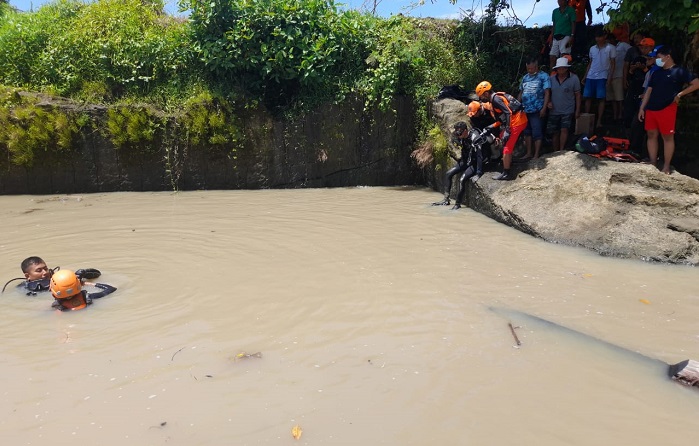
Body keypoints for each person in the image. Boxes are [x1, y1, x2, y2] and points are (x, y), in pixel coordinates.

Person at [638, 45, 699, 174]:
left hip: (667, 108)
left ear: (667, 56)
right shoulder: (656, 72)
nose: (656, 60)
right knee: (651, 134)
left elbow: (696, 83)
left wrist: (680, 94)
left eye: (659, 57)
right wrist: (642, 107)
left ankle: (666, 166)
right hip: (651, 107)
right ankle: (653, 161)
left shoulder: (679, 71)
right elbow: (649, 91)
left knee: (667, 137)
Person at [432, 104, 497, 209]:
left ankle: (457, 205)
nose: (458, 135)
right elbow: (460, 145)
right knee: (449, 173)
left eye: (460, 133)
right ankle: (446, 200)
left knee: (462, 179)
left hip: (476, 162)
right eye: (457, 134)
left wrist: (479, 173)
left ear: (465, 130)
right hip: (467, 160)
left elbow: (480, 156)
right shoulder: (460, 136)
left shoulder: (475, 138)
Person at [476, 81, 527, 181]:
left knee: (507, 148)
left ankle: (506, 173)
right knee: (502, 137)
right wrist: (493, 125)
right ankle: (509, 162)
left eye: (481, 96)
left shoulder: (495, 100)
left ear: (486, 93)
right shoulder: (496, 97)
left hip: (517, 123)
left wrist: (508, 130)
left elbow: (508, 112)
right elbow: (503, 118)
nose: (481, 99)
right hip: (517, 121)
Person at [581, 29, 616, 129]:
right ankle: (586, 118)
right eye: (597, 37)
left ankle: (599, 121)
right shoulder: (592, 48)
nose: (598, 39)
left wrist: (609, 78)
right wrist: (585, 76)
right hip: (591, 75)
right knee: (587, 97)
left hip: (603, 75)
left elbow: (613, 64)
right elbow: (590, 63)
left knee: (601, 99)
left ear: (604, 37)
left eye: (600, 37)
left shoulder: (611, 48)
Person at [518, 56, 551, 159]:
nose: (530, 70)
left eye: (532, 68)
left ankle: (536, 154)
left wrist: (544, 108)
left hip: (537, 110)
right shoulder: (525, 78)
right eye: (528, 69)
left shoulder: (544, 76)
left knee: (537, 132)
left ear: (537, 67)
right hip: (525, 110)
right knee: (527, 132)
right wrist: (517, 105)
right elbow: (521, 92)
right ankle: (528, 153)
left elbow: (547, 93)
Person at [547, 57, 581, 151]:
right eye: (559, 68)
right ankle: (555, 150)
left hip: (568, 109)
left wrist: (577, 110)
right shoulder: (551, 79)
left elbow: (578, 95)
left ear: (566, 68)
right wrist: (548, 101)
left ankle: (561, 150)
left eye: (563, 68)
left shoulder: (574, 79)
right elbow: (547, 92)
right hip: (554, 110)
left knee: (564, 129)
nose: (560, 70)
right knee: (554, 132)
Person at [50, 269, 117, 311]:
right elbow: (111, 289)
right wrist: (87, 283)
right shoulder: (87, 297)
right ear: (78, 285)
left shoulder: (57, 306)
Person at [607, 33, 631, 123]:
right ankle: (615, 115)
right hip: (610, 75)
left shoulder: (623, 45)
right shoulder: (607, 48)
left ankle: (620, 114)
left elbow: (631, 52)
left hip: (619, 74)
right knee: (612, 97)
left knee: (619, 97)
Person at [550, 0, 577, 69]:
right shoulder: (555, 11)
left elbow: (573, 23)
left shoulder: (571, 10)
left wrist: (572, 36)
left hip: (566, 35)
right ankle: (553, 74)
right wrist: (551, 37)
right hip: (556, 36)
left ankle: (566, 74)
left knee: (564, 57)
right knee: (552, 57)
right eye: (558, 0)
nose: (560, 2)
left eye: (562, 0)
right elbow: (554, 25)